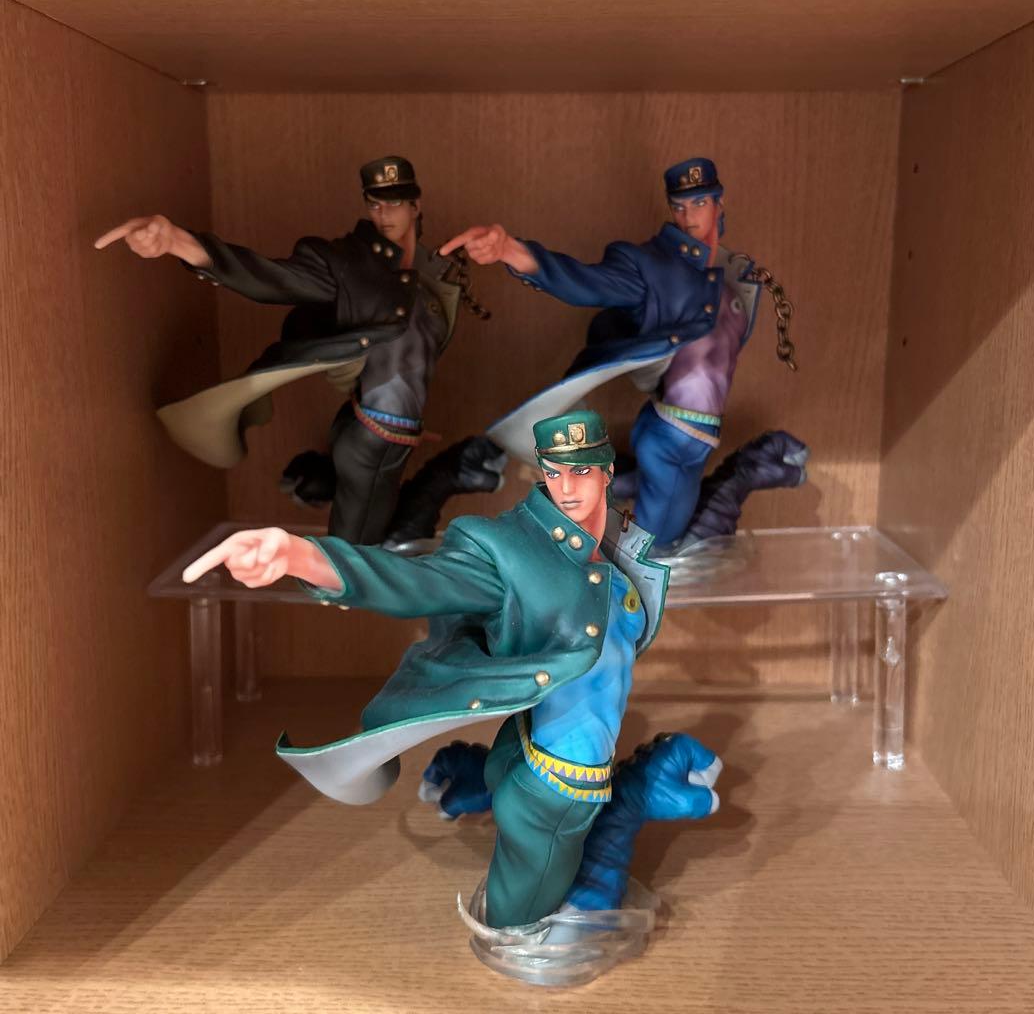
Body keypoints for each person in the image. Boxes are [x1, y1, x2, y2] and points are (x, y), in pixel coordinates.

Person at [182, 410, 687, 929]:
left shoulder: (618, 545)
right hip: (561, 778)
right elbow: (417, 581)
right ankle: (525, 932)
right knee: (521, 916)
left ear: (606, 471)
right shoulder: (506, 549)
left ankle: (483, 786)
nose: (566, 488)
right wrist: (301, 556)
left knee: (534, 826)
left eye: (580, 471)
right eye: (554, 472)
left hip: (532, 739)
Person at [96, 156, 485, 544]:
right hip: (372, 438)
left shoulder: (432, 274)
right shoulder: (349, 263)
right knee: (354, 556)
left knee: (378, 538)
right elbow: (272, 278)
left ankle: (318, 480)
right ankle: (324, 514)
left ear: (416, 205)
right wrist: (180, 242)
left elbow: (414, 356)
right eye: (374, 203)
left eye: (395, 202)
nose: (384, 214)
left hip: (391, 431)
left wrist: (411, 417)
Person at [439, 157, 799, 551]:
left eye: (699, 203)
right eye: (679, 206)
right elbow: (587, 283)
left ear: (719, 203)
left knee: (666, 522)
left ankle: (606, 483)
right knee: (658, 547)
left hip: (690, 433)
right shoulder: (653, 267)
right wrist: (511, 250)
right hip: (673, 435)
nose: (688, 216)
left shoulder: (731, 278)